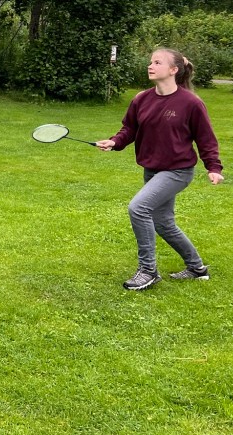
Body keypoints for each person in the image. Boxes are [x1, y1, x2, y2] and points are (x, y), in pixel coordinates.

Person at [96, 48, 223, 291]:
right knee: (163, 222)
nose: (150, 66)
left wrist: (213, 167)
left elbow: (206, 138)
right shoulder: (141, 99)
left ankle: (148, 271)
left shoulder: (191, 103)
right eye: (150, 62)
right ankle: (197, 268)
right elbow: (129, 129)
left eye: (157, 62)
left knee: (139, 208)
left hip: (178, 171)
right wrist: (114, 142)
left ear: (174, 70)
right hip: (152, 170)